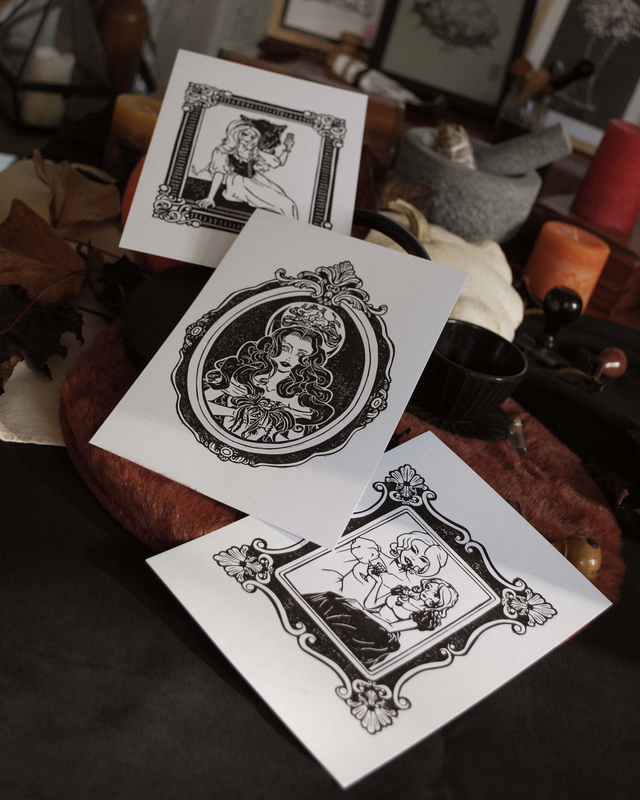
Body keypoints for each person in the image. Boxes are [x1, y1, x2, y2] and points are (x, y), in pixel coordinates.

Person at [203, 303, 344, 442]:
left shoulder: (300, 399)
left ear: (309, 361)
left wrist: (271, 426)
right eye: (285, 348)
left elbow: (295, 440)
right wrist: (234, 412)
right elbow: (203, 404)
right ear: (272, 346)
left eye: (301, 355)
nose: (289, 357)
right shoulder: (242, 375)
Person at [194, 118, 298, 218]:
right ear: (236, 133)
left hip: (255, 179)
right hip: (239, 183)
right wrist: (210, 197)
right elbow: (219, 173)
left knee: (288, 203)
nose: (248, 139)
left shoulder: (252, 150)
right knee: (286, 205)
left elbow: (276, 163)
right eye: (245, 134)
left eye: (252, 137)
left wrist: (287, 148)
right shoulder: (223, 151)